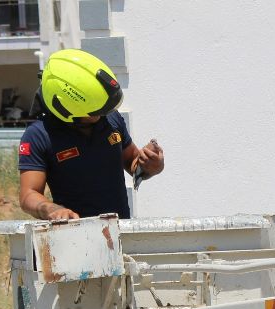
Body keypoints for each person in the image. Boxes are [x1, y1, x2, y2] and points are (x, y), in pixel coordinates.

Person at [18, 49, 165, 221]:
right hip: (73, 236)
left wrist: (151, 166)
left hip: (118, 234)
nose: (103, 115)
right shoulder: (39, 136)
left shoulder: (112, 120)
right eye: (95, 111)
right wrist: (51, 209)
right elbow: (28, 194)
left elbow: (133, 163)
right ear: (66, 109)